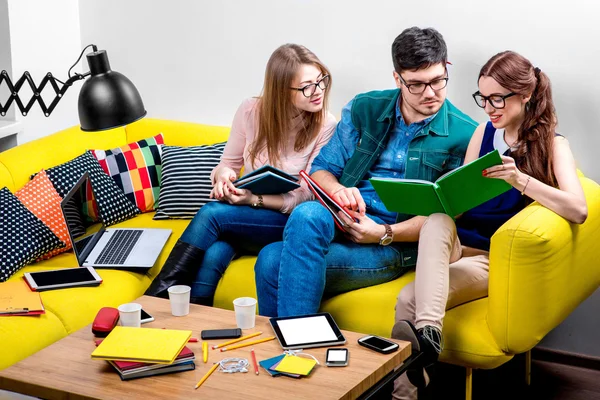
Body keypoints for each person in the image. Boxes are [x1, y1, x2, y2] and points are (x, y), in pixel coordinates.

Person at [391, 50, 588, 400]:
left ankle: (403, 393)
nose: (489, 108)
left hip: (490, 256)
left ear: (525, 95)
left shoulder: (553, 144)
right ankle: (430, 339)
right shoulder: (483, 132)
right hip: (455, 245)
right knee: (437, 219)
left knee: (409, 301)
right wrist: (445, 197)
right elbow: (461, 205)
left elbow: (578, 209)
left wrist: (520, 180)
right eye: (483, 98)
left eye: (498, 98)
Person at [254, 27, 478, 318]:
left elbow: (447, 217)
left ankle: (295, 351)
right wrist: (340, 192)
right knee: (307, 214)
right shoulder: (365, 108)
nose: (430, 93)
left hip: (393, 244)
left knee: (271, 261)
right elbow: (323, 170)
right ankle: (298, 346)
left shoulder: (466, 134)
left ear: (446, 67)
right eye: (416, 85)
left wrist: (382, 233)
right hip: (341, 220)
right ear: (397, 78)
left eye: (438, 81)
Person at [145, 44, 337, 304]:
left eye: (321, 80)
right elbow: (228, 163)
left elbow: (306, 197)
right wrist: (224, 177)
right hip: (247, 216)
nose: (318, 91)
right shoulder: (250, 110)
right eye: (307, 86)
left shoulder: (326, 124)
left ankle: (154, 299)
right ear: (281, 91)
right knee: (214, 251)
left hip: (291, 221)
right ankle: (198, 321)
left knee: (212, 214)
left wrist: (252, 200)